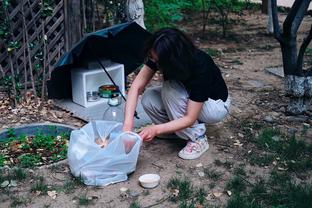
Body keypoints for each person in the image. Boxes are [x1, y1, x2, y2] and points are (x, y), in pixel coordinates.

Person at [123, 28, 230, 160]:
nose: (154, 62)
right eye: (152, 57)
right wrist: (127, 128)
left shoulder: (201, 65)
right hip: (188, 98)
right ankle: (174, 131)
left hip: (215, 106)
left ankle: (197, 138)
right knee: (149, 98)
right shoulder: (159, 54)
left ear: (172, 59)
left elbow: (190, 117)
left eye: (157, 61)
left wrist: (156, 129)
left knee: (170, 88)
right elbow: (136, 87)